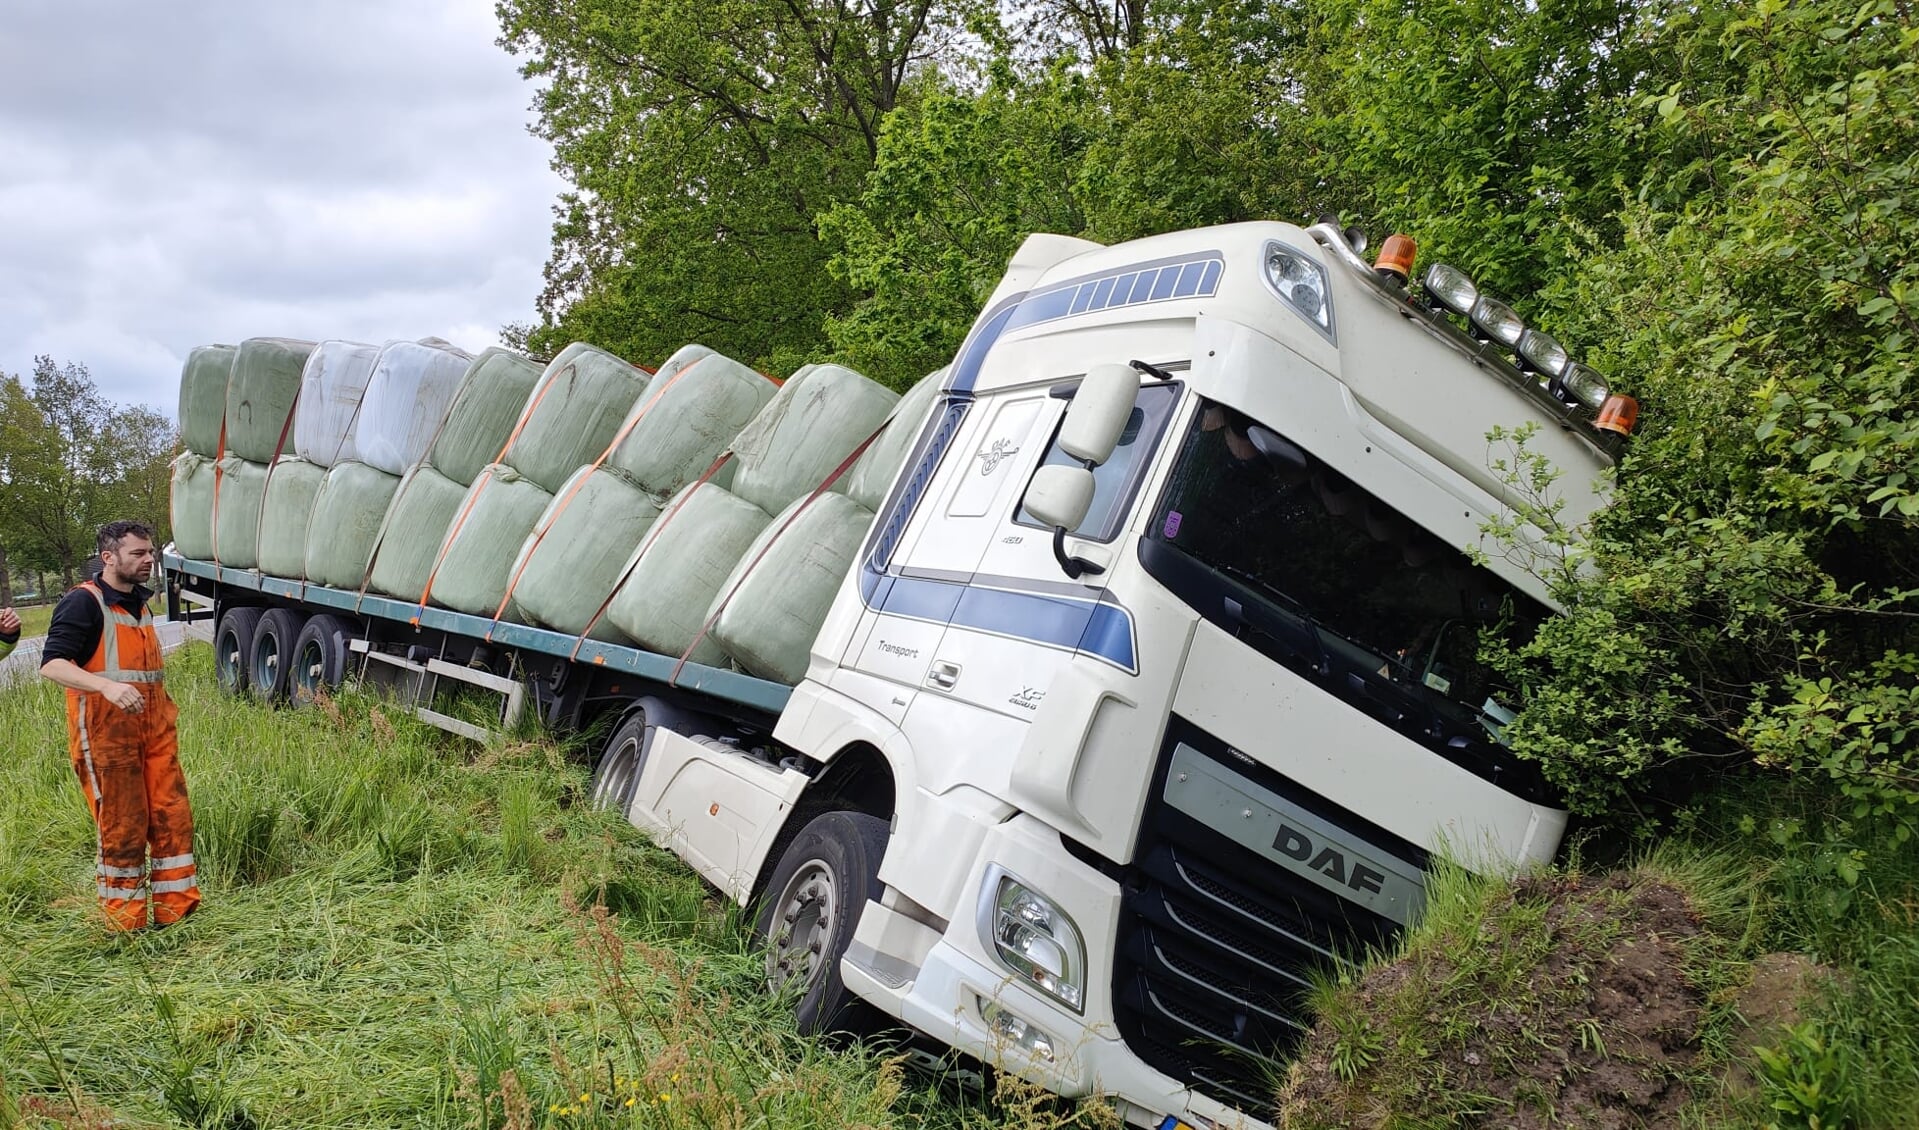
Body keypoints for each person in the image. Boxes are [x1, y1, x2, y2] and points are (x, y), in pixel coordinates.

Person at [38, 521, 200, 931]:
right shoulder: (84, 603)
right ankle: (124, 926)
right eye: (138, 554)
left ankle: (175, 916)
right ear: (108, 558)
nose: (149, 561)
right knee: (122, 828)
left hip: (156, 734)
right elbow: (52, 664)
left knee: (171, 817)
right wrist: (105, 686)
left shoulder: (140, 604)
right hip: (106, 737)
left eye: (150, 554)